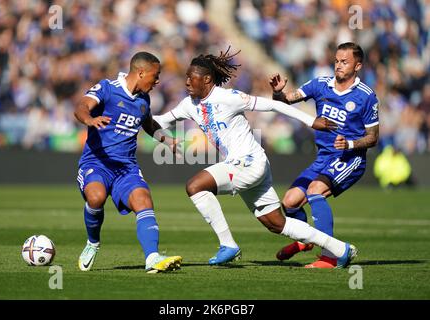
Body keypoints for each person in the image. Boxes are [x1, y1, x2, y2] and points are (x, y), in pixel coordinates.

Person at [154, 47, 357, 268]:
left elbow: (273, 105)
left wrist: (311, 121)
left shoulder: (229, 97)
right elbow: (160, 122)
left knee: (195, 186)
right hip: (246, 165)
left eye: (191, 77)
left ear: (207, 79)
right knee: (277, 224)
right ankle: (340, 249)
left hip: (249, 162)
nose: (186, 82)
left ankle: (228, 245)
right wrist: (134, 116)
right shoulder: (188, 105)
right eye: (186, 77)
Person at [269, 42, 379, 268]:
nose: (338, 65)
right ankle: (305, 241)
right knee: (289, 202)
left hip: (350, 158)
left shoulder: (366, 96)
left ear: (357, 65)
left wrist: (350, 143)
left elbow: (373, 137)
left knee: (315, 190)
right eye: (337, 61)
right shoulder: (320, 84)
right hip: (323, 157)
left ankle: (330, 256)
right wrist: (278, 92)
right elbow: (287, 101)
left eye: (344, 62)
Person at [74, 52, 182, 273]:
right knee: (96, 198)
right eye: (156, 75)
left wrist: (166, 139)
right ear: (141, 72)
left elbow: (148, 124)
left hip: (126, 168)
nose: (158, 81)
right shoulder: (107, 88)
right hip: (97, 162)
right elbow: (81, 106)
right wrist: (90, 119)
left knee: (144, 200)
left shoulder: (143, 100)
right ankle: (92, 243)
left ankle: (152, 258)